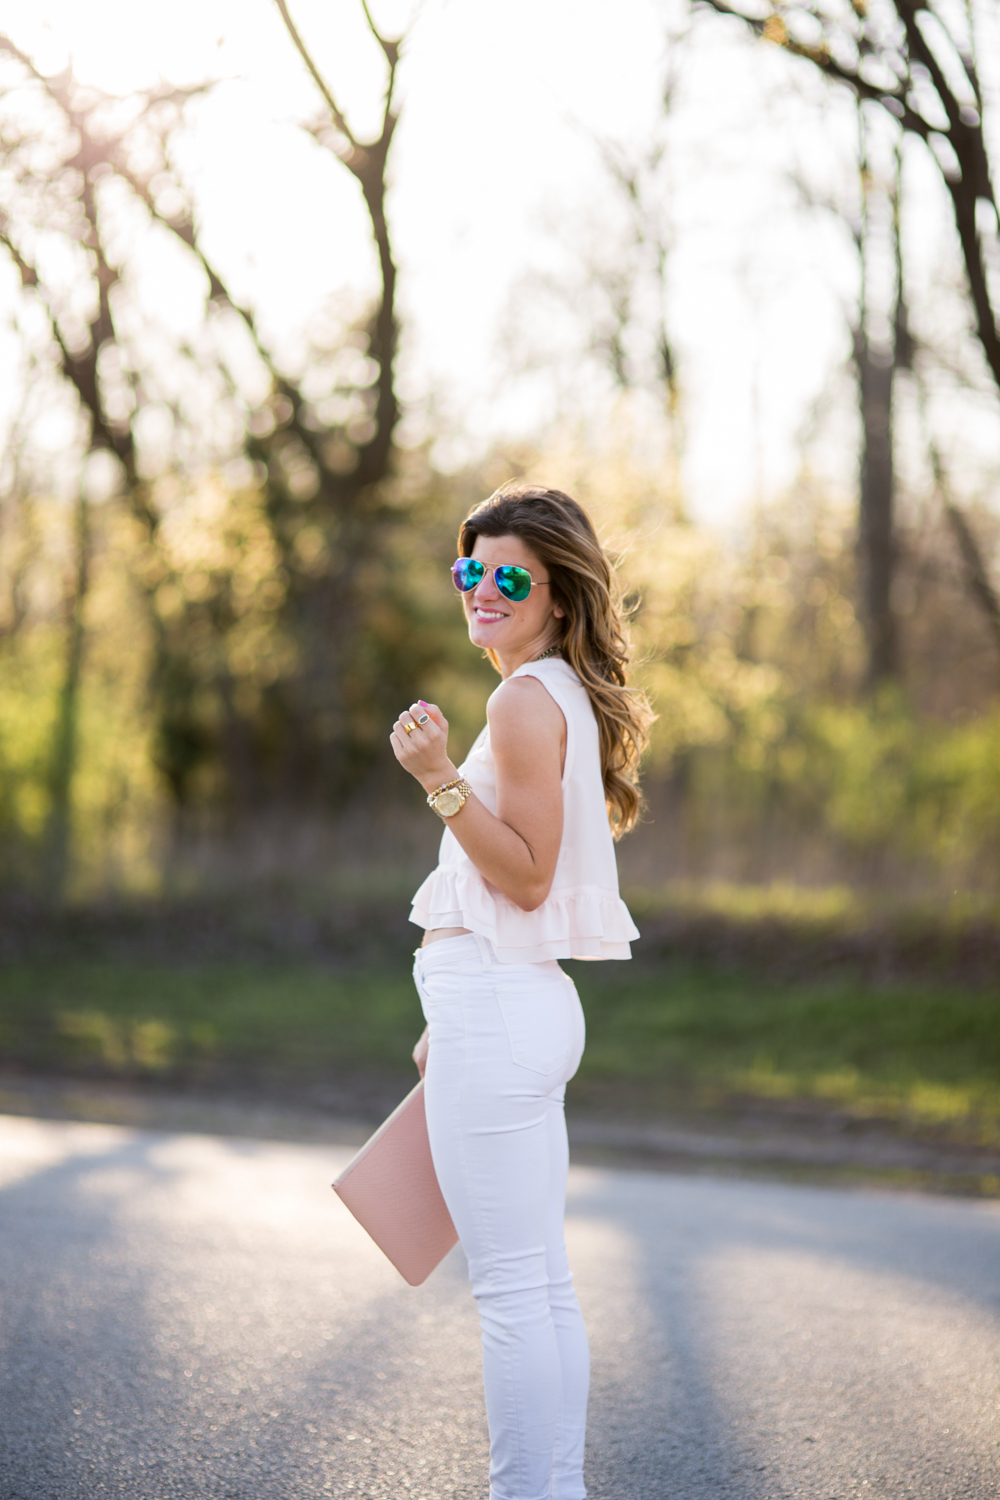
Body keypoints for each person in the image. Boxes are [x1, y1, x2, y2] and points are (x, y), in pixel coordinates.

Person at [389, 482, 651, 1500]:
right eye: (469, 570)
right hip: (509, 1009)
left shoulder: (519, 699)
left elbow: (527, 873)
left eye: (508, 577)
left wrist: (435, 776)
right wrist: (440, 1031)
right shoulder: (556, 697)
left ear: (556, 595)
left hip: (498, 1008)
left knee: (509, 1290)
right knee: (538, 1284)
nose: (482, 590)